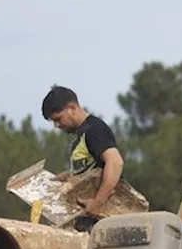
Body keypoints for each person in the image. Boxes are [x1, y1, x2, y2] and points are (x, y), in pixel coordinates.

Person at [40, 85, 125, 232]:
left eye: (58, 119)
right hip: (88, 219)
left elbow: (115, 162)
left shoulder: (95, 129)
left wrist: (97, 202)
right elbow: (89, 169)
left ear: (72, 108)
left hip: (104, 220)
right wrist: (64, 177)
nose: (57, 125)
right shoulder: (81, 134)